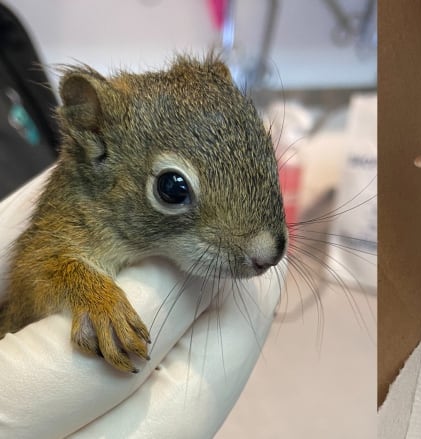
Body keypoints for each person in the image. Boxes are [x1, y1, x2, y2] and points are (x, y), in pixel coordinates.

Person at [0, 171, 281, 438]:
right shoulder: (79, 215)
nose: (266, 253)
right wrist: (88, 290)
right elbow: (39, 267)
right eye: (173, 189)